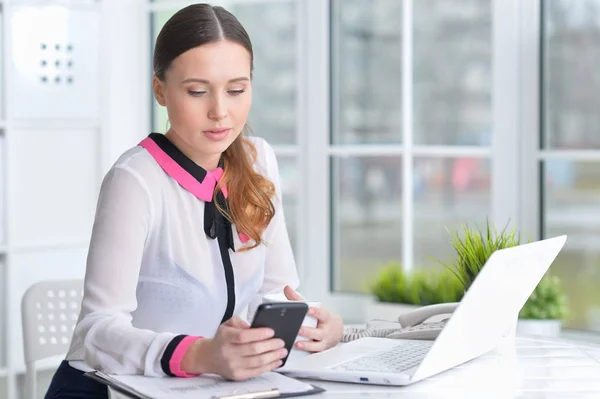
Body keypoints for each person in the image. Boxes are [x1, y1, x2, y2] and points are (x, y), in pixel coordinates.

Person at [44, 3, 344, 398]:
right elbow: (96, 330)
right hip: (104, 389)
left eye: (236, 90)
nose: (220, 112)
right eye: (197, 91)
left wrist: (318, 326)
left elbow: (275, 292)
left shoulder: (259, 161)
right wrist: (202, 354)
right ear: (160, 91)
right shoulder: (134, 180)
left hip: (205, 387)